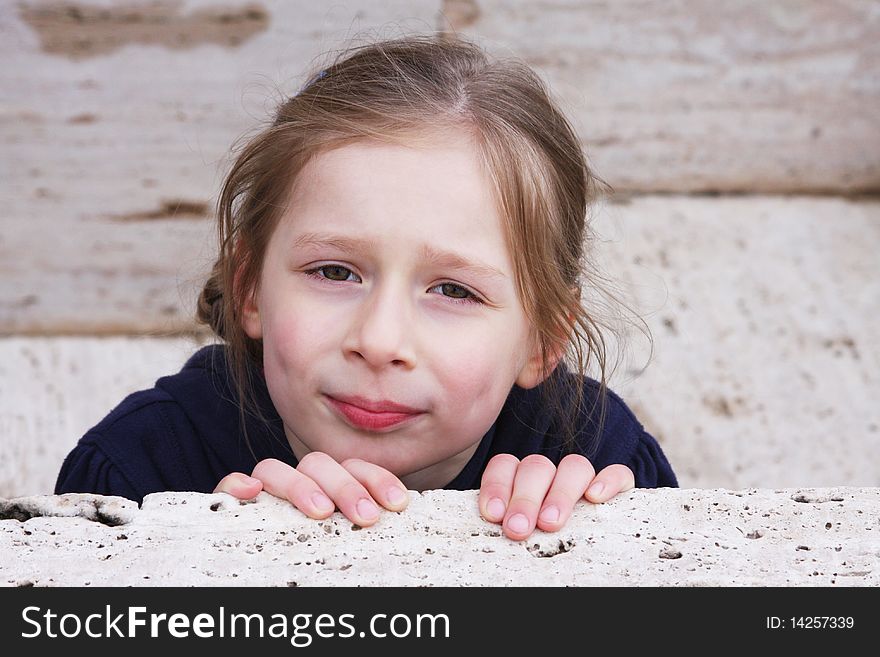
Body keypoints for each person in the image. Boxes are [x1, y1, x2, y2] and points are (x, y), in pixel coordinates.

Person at [56, 33, 677, 541]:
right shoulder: (142, 470)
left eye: (455, 291)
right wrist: (206, 564)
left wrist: (599, 545)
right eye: (334, 272)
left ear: (541, 339)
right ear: (250, 290)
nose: (379, 342)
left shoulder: (592, 457)